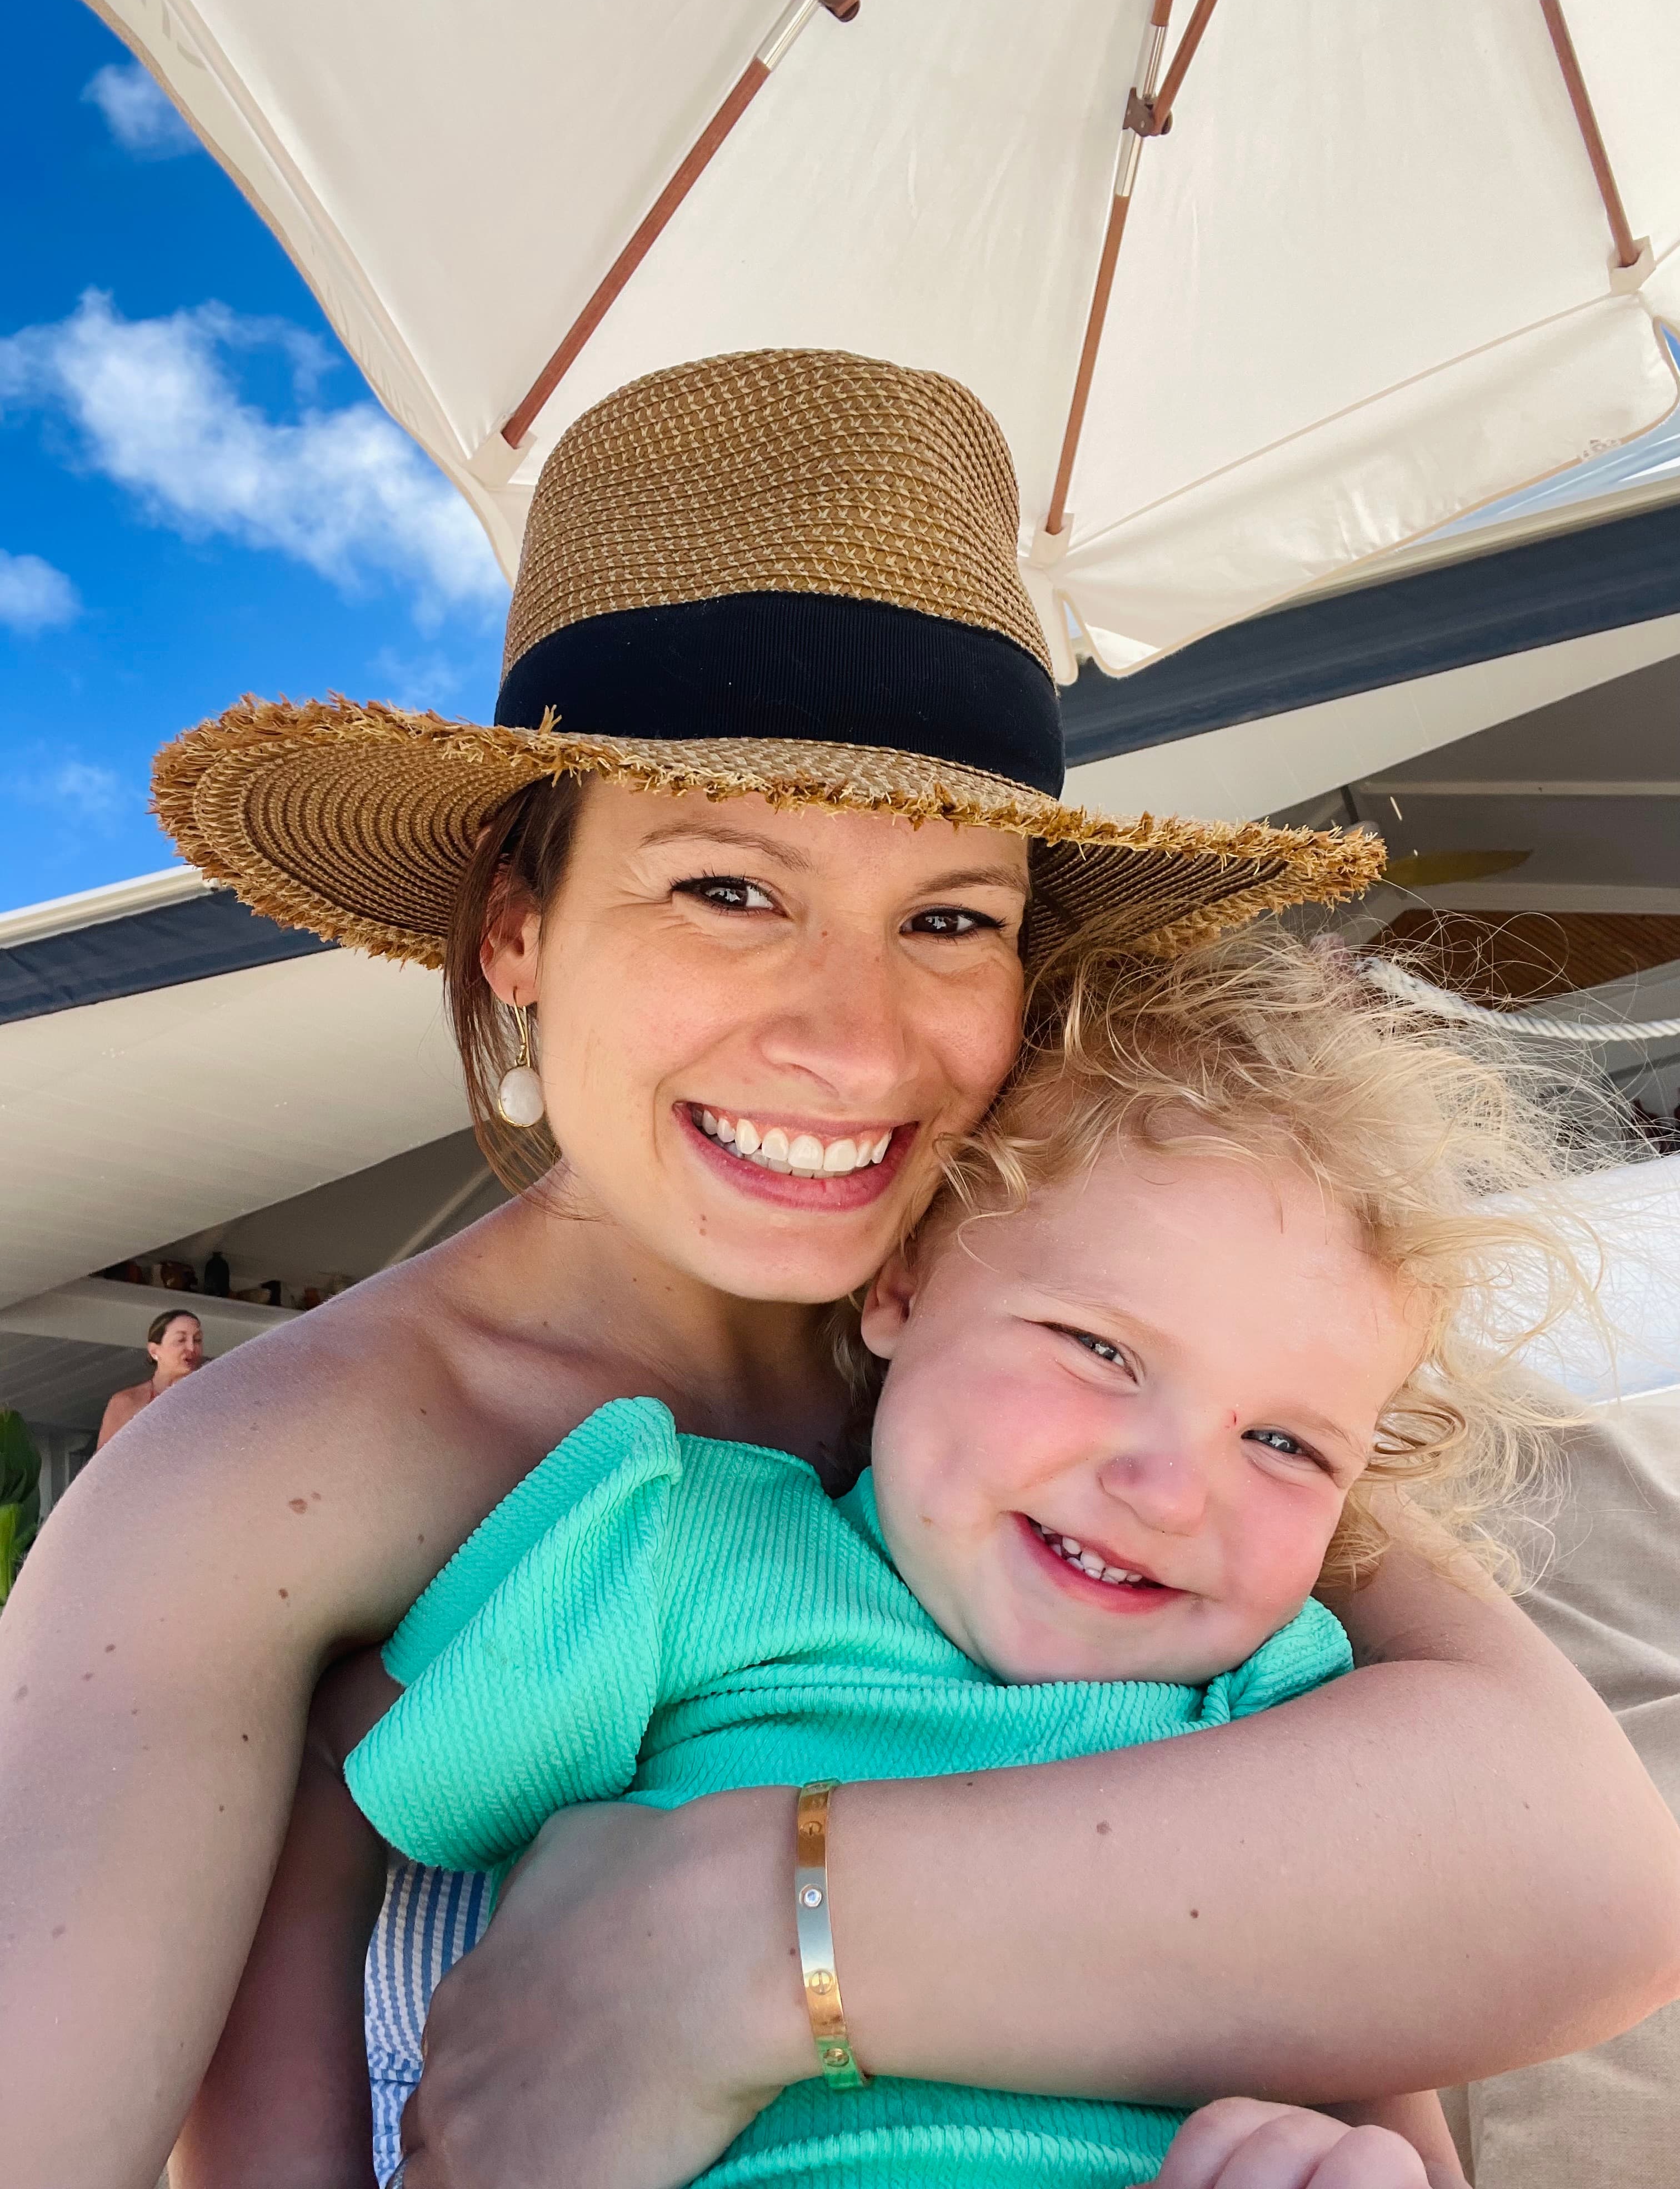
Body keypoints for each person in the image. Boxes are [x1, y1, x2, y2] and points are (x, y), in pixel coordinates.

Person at [2, 350, 1676, 2189]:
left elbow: (1572, 1874)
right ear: (517, 925)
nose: (854, 1039)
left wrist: (750, 1934)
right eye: (728, 889)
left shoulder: (1131, 1355)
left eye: (948, 918)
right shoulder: (248, 1488)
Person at [226, 922, 1591, 2187]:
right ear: (904, 1288)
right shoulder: (674, 1548)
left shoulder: (1285, 1688)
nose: (1172, 1493)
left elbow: (1374, 2027)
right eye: (1100, 1351)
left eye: (1289, 1446)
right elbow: (327, 1810)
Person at [95, 1308, 204, 1448]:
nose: (192, 1347)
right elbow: (105, 1465)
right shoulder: (127, 1401)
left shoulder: (209, 1399)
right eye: (181, 1340)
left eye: (197, 1340)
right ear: (154, 1351)